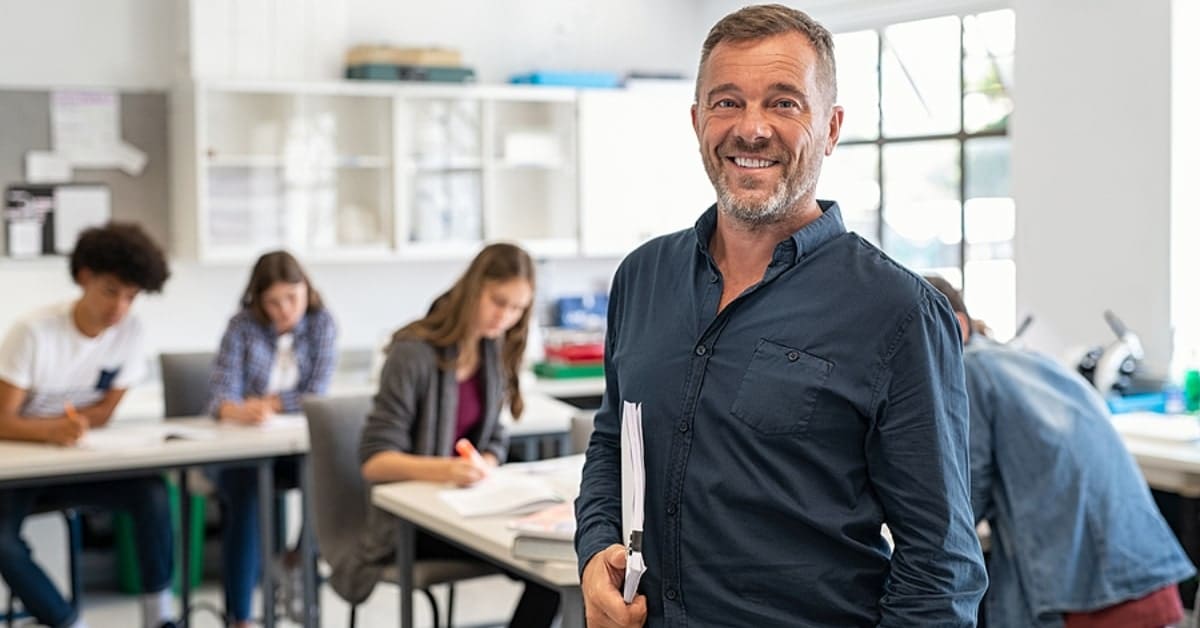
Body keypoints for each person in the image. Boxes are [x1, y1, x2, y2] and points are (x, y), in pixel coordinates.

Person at [574, 5, 988, 626]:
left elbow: (941, 567)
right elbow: (614, 444)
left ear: (831, 127)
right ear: (696, 121)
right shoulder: (642, 277)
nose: (752, 129)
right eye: (727, 102)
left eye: (785, 103)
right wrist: (593, 552)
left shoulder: (897, 312)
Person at [924, 275, 1195, 628]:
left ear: (955, 326)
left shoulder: (969, 370)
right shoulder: (1027, 361)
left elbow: (964, 498)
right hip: (1142, 573)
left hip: (1094, 599)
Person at [330, 242, 560, 628]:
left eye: (518, 308)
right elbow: (374, 462)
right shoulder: (412, 352)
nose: (505, 317)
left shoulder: (490, 349)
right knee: (546, 569)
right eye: (498, 302)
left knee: (557, 565)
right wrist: (449, 471)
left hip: (468, 507)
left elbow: (493, 438)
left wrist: (483, 461)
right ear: (474, 288)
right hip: (412, 523)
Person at [0, 222, 175, 628]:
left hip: (77, 467)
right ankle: (65, 622)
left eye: (131, 297)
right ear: (85, 278)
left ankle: (159, 617)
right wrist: (50, 431)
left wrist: (67, 427)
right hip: (20, 472)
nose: (119, 308)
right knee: (2, 541)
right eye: (111, 291)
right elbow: (1, 419)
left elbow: (105, 411)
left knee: (151, 494)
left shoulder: (131, 333)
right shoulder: (33, 332)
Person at [208, 250, 337, 627]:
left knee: (330, 479)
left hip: (294, 450)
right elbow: (220, 397)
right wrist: (237, 409)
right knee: (245, 498)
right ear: (259, 302)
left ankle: (298, 561)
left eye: (292, 298)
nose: (285, 310)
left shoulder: (322, 324)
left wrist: (270, 403)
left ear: (306, 290)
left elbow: (317, 395)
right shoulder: (241, 327)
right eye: (274, 302)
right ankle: (240, 616)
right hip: (243, 450)